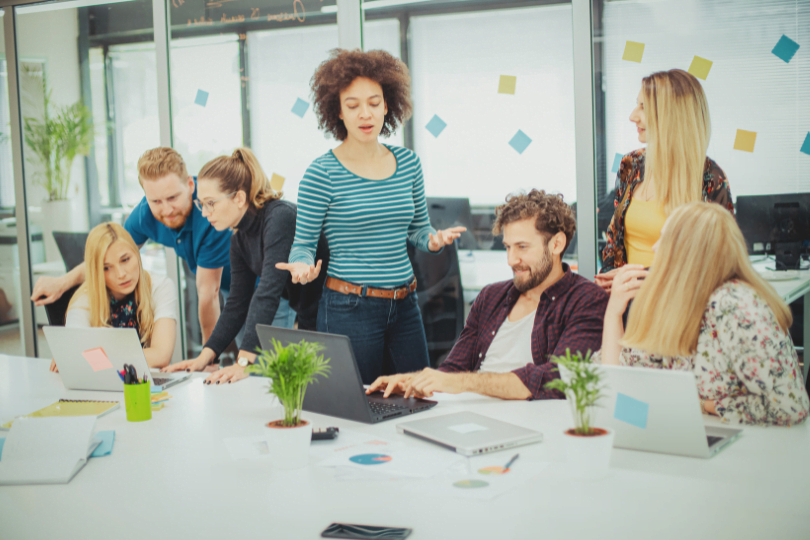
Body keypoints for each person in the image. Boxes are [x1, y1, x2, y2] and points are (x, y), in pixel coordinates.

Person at [276, 49, 465, 384]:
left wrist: (434, 240)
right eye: (353, 105)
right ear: (337, 111)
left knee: (416, 396)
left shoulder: (409, 163)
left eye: (374, 102)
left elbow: (419, 229)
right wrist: (302, 267)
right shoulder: (321, 174)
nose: (366, 113)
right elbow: (302, 246)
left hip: (405, 304)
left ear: (388, 104)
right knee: (357, 408)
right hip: (350, 307)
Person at [367, 190, 609, 400]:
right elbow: (454, 369)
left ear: (556, 244)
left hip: (529, 423)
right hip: (470, 414)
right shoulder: (491, 296)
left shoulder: (588, 301)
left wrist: (461, 383)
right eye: (507, 247)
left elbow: (557, 379)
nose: (511, 260)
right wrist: (412, 381)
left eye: (522, 247)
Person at [598, 202, 809, 426]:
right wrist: (613, 313)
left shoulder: (735, 305)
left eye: (665, 238)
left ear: (689, 251)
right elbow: (621, 397)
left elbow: (790, 408)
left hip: (748, 446)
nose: (654, 248)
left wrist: (703, 405)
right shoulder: (667, 302)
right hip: (681, 435)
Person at [32, 147, 233, 347]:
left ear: (190, 184)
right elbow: (108, 257)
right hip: (229, 289)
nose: (166, 209)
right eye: (156, 201)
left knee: (255, 359)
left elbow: (208, 292)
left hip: (252, 284)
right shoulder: (144, 215)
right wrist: (62, 283)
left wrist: (209, 359)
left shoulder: (209, 211)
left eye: (173, 198)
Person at [162, 148, 325, 384]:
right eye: (201, 205)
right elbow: (237, 304)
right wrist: (205, 356)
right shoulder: (238, 239)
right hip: (312, 317)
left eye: (210, 204)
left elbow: (268, 292)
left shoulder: (279, 217)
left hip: (339, 310)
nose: (205, 214)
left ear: (239, 198)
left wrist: (244, 362)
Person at [596, 69, 734, 292]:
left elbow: (716, 263)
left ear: (672, 115)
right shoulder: (631, 164)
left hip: (675, 308)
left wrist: (638, 280)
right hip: (626, 302)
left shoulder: (710, 178)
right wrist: (609, 275)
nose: (633, 116)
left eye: (643, 107)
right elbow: (614, 237)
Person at [50, 222, 178, 371]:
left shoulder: (160, 286)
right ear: (96, 271)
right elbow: (72, 355)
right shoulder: (84, 299)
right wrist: (75, 355)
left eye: (125, 260)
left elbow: (161, 356)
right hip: (99, 384)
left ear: (136, 255)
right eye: (106, 268)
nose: (121, 274)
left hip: (148, 385)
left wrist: (92, 356)